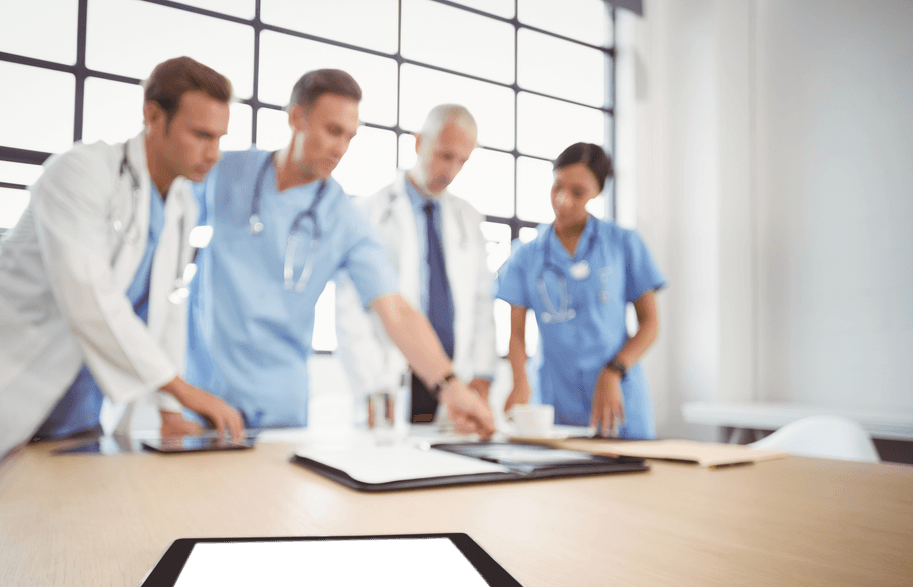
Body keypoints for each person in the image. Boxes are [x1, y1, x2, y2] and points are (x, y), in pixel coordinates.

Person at [0, 57, 244, 534]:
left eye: (220, 138)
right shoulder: (81, 172)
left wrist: (170, 412)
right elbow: (88, 295)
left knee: (56, 557)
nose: (213, 153)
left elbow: (162, 312)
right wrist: (184, 391)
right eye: (201, 135)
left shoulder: (182, 203)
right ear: (152, 117)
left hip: (71, 409)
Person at [185, 69, 495, 436]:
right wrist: (168, 394)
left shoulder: (344, 219)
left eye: (349, 137)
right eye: (333, 131)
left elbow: (395, 309)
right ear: (296, 118)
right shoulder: (226, 173)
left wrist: (451, 387)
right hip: (199, 396)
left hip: (280, 406)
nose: (340, 149)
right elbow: (166, 241)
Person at [335, 104, 496, 424]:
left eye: (462, 161)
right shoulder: (371, 212)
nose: (450, 171)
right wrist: (371, 382)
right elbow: (350, 305)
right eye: (445, 155)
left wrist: (482, 371)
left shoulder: (467, 218)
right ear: (419, 143)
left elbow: (481, 301)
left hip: (454, 376)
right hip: (391, 375)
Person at [495, 142, 665, 439]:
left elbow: (650, 324)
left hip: (618, 395)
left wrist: (614, 370)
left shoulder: (623, 244)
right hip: (555, 399)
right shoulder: (525, 256)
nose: (562, 201)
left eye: (578, 192)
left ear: (596, 192)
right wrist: (520, 380)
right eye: (557, 187)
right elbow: (517, 335)